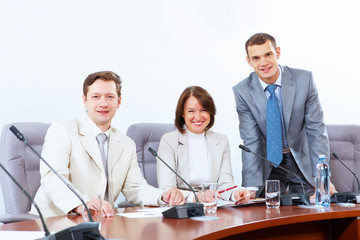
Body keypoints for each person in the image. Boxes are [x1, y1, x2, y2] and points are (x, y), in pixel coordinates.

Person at [30, 71, 184, 218]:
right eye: (96, 97)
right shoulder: (63, 130)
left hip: (101, 222)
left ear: (119, 101)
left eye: (110, 97)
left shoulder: (126, 144)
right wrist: (81, 204)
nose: (103, 103)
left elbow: (136, 188)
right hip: (56, 220)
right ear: (85, 100)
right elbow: (53, 179)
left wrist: (162, 196)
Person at [233, 33, 337, 197]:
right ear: (249, 61)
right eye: (256, 58)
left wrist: (322, 178)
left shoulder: (304, 79)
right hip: (270, 165)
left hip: (302, 162)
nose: (263, 63)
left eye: (268, 54)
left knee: (312, 213)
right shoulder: (242, 91)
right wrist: (251, 187)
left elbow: (316, 130)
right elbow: (251, 140)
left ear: (278, 52)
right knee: (265, 215)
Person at [157, 86, 251, 204]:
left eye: (203, 110)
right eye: (191, 111)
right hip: (182, 207)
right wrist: (199, 197)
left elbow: (225, 184)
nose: (198, 117)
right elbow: (168, 189)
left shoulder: (221, 140)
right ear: (182, 114)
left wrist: (234, 194)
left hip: (213, 206)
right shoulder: (168, 140)